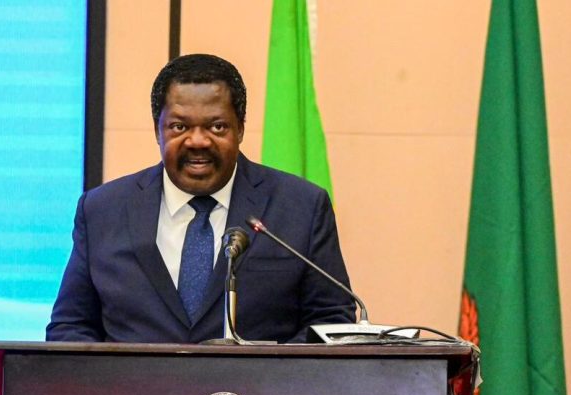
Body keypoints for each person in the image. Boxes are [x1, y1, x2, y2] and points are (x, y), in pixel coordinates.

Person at [46, 53, 355, 343]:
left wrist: (268, 373)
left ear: (240, 129)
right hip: (133, 385)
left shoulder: (300, 207)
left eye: (217, 126)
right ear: (157, 130)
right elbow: (71, 327)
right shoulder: (103, 209)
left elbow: (330, 323)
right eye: (179, 126)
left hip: (260, 385)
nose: (197, 141)